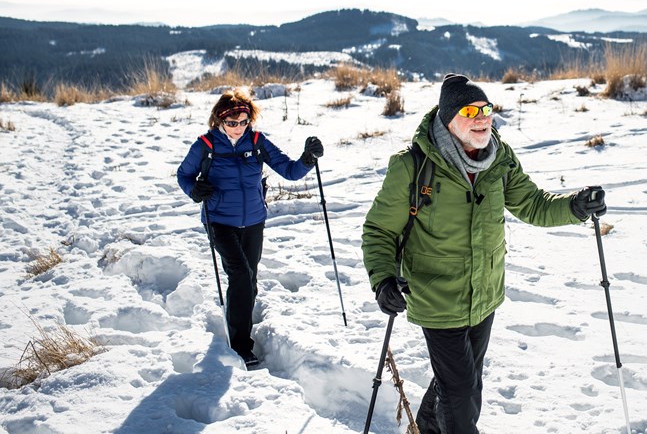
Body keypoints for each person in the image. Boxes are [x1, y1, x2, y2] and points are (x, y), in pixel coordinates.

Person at [362, 73, 606, 434]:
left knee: (461, 381)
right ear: (448, 120)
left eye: (486, 108)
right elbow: (379, 230)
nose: (482, 118)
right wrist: (383, 280)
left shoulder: (500, 158)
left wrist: (575, 206)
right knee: (462, 395)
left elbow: (534, 204)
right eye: (470, 110)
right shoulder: (413, 166)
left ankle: (427, 427)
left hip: (485, 293)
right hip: (436, 295)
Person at [177, 88, 324, 368]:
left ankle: (239, 320)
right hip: (219, 221)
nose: (238, 127)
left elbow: (290, 171)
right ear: (219, 121)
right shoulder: (205, 146)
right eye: (232, 123)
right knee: (241, 275)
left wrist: (308, 158)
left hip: (254, 220)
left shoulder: (257, 142)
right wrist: (194, 189)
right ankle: (241, 346)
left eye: (244, 121)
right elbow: (184, 175)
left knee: (249, 280)